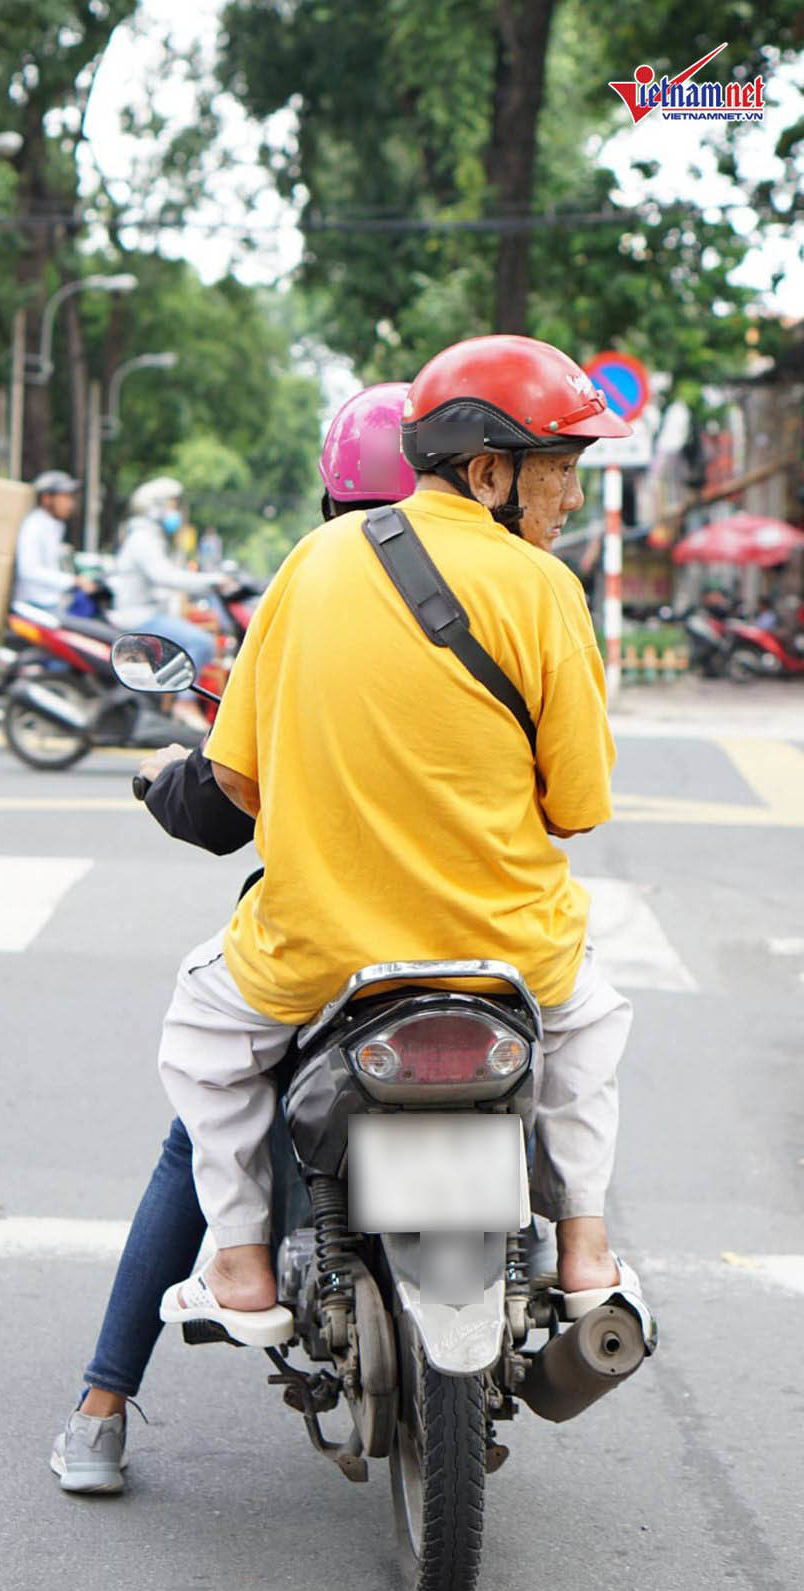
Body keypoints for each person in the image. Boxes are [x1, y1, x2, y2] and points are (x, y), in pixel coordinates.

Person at [152, 335, 640, 1342]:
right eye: (561, 471)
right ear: (490, 470)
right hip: (512, 953)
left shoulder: (310, 564)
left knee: (203, 1044)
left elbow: (233, 776)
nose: (572, 500)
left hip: (321, 952)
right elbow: (578, 806)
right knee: (589, 1031)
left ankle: (240, 1265)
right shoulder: (547, 593)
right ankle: (586, 1250)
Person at [50, 382, 416, 1493]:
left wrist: (164, 784)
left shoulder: (305, 592)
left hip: (323, 947)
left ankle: (105, 1404)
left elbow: (221, 805)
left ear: (330, 495)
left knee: (193, 1128)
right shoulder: (520, 592)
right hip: (477, 941)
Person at [109, 476, 235, 677]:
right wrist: (213, 581)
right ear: (154, 507)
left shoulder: (151, 537)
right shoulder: (143, 539)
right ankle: (183, 702)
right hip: (139, 617)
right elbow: (165, 576)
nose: (174, 512)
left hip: (149, 613)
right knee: (203, 644)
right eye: (170, 506)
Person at [13, 471, 94, 610]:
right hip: (36, 604)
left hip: (52, 601)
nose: (71, 504)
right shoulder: (34, 525)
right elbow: (28, 570)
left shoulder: (52, 525)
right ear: (46, 498)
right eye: (66, 497)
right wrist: (73, 581)